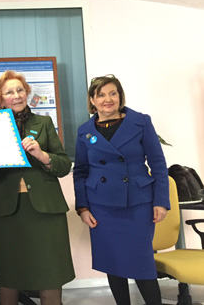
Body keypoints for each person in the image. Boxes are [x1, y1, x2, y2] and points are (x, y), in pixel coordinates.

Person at [0, 70, 75, 305]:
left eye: (20, 90)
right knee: (9, 273)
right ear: (0, 100)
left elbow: (63, 165)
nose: (16, 95)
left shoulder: (43, 123)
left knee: (49, 271)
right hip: (7, 211)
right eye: (9, 92)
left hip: (45, 210)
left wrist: (43, 155)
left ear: (27, 93)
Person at [73, 75, 169, 305]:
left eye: (113, 93)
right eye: (102, 94)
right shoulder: (85, 131)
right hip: (101, 206)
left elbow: (158, 165)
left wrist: (161, 201)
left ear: (120, 96)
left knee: (142, 265)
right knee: (112, 263)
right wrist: (83, 207)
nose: (108, 99)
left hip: (137, 203)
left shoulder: (140, 122)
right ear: (92, 100)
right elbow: (81, 172)